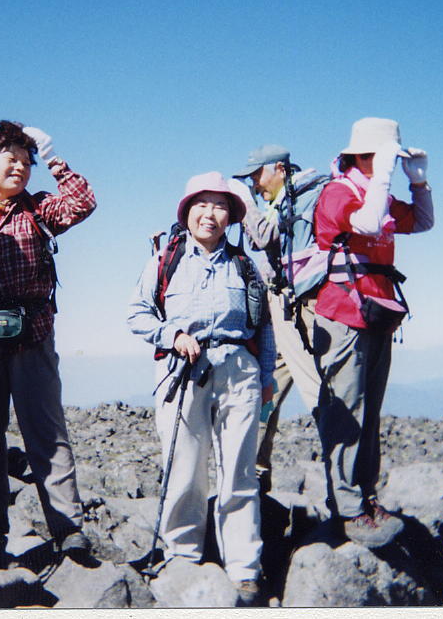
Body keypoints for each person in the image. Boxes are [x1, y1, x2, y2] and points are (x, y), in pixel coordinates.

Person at [127, 172, 267, 607]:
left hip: (239, 372)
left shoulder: (246, 265)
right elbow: (137, 313)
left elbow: (264, 328)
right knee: (184, 468)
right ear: (187, 211)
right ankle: (183, 558)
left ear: (231, 216)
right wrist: (172, 335)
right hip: (181, 371)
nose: (210, 213)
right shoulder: (165, 260)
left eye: (220, 206)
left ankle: (244, 569)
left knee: (239, 471)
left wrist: (265, 379)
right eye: (201, 204)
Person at [0, 121, 97, 566]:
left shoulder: (39, 208)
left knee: (46, 431)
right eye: (11, 159)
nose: (21, 168)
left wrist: (53, 157)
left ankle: (68, 528)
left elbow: (82, 202)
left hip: (34, 334)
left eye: (27, 161)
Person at [311, 117, 433, 547]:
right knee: (347, 411)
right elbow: (365, 223)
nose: (391, 167)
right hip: (344, 314)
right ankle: (347, 509)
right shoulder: (339, 192)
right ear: (365, 156)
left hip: (378, 312)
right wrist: (381, 176)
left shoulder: (377, 192)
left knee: (371, 411)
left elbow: (422, 221)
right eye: (385, 158)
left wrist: (419, 182)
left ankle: (366, 496)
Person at [230, 145, 326, 491]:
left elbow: (263, 236)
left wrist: (244, 202)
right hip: (282, 310)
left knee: (315, 390)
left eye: (257, 176)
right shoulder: (284, 200)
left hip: (299, 311)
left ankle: (346, 484)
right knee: (264, 391)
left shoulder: (298, 199)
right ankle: (255, 470)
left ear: (280, 169)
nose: (255, 184)